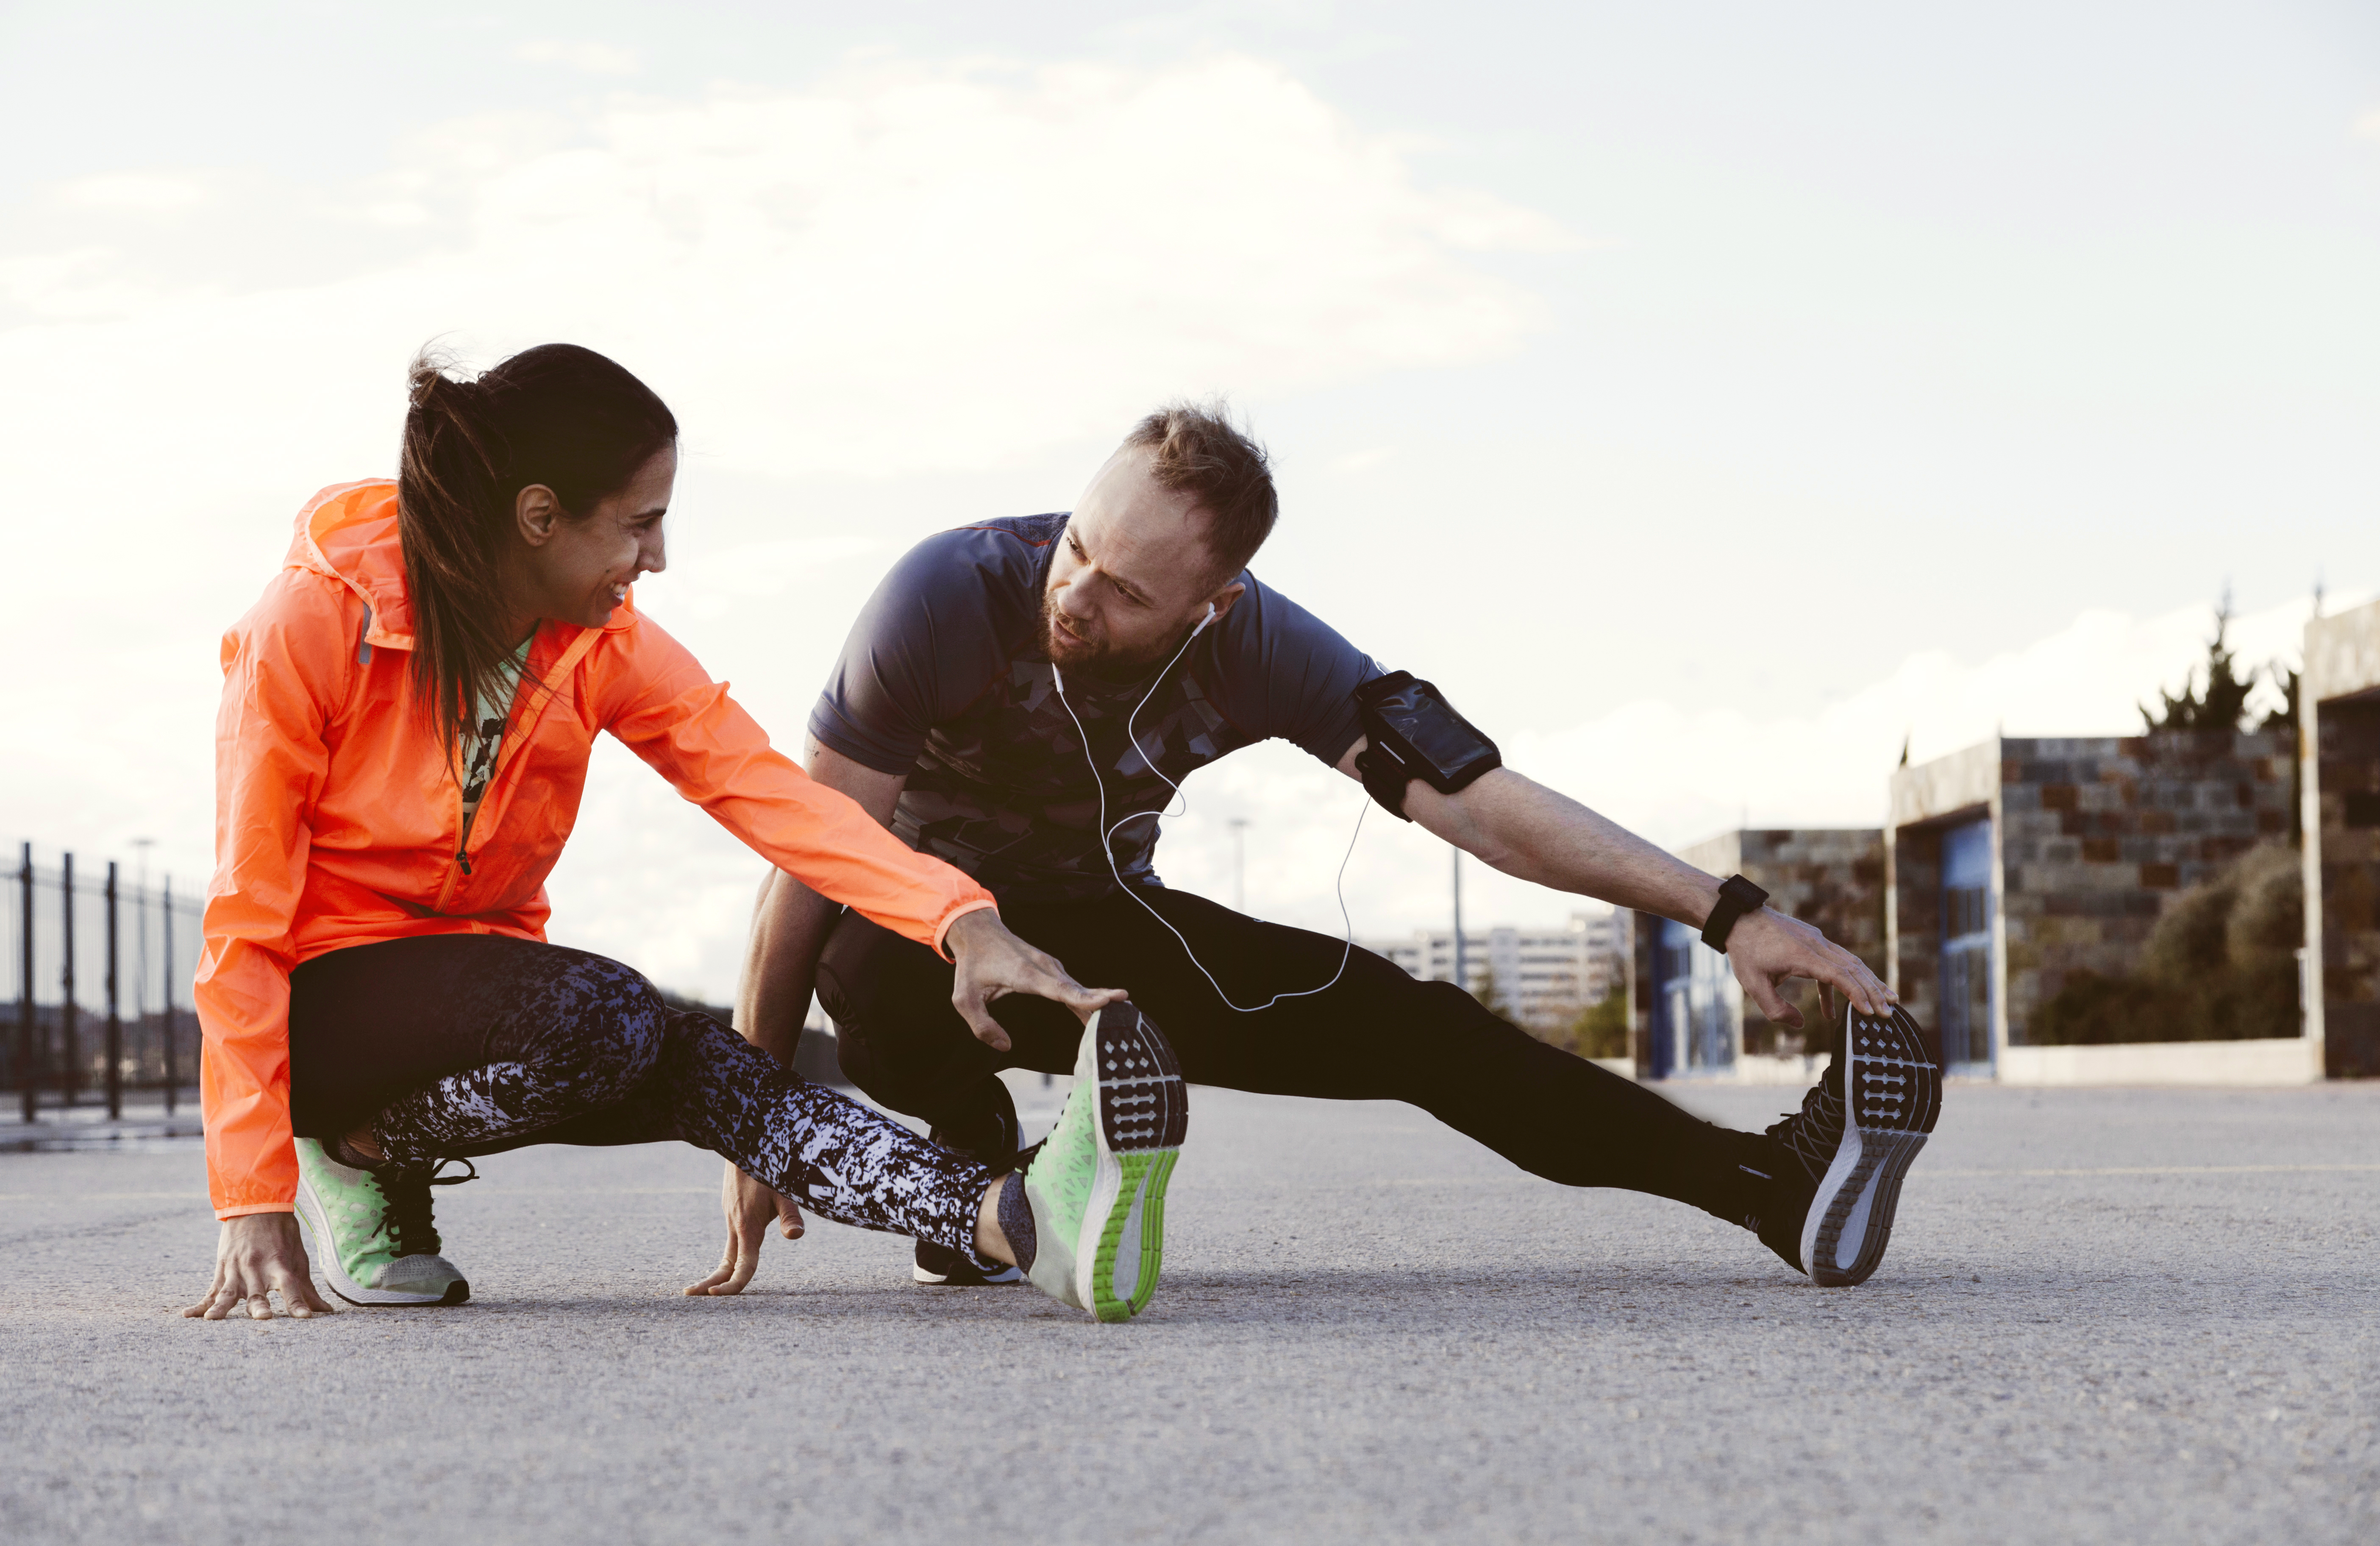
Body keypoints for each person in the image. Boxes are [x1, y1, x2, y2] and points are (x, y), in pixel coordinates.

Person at [717, 403, 1940, 1298]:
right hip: (918, 944)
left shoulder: (1266, 649)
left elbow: (1478, 802)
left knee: (1419, 1028)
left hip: (1102, 940)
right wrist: (753, 1126)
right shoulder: (946, 597)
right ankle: (978, 1171)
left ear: (1215, 604)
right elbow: (811, 857)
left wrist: (1729, 913)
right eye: (1079, 547)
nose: (1078, 599)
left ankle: (1772, 1188)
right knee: (866, 962)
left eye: (1131, 594)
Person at [186, 343, 1187, 1326]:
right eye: (639, 524)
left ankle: (1017, 1219)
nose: (655, 557)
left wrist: (959, 918)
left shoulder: (596, 644)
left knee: (700, 1061)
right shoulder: (315, 623)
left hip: (480, 991)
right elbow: (244, 920)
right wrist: (251, 1193)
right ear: (540, 518)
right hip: (321, 1004)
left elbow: (769, 795)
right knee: (607, 1014)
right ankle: (353, 1152)